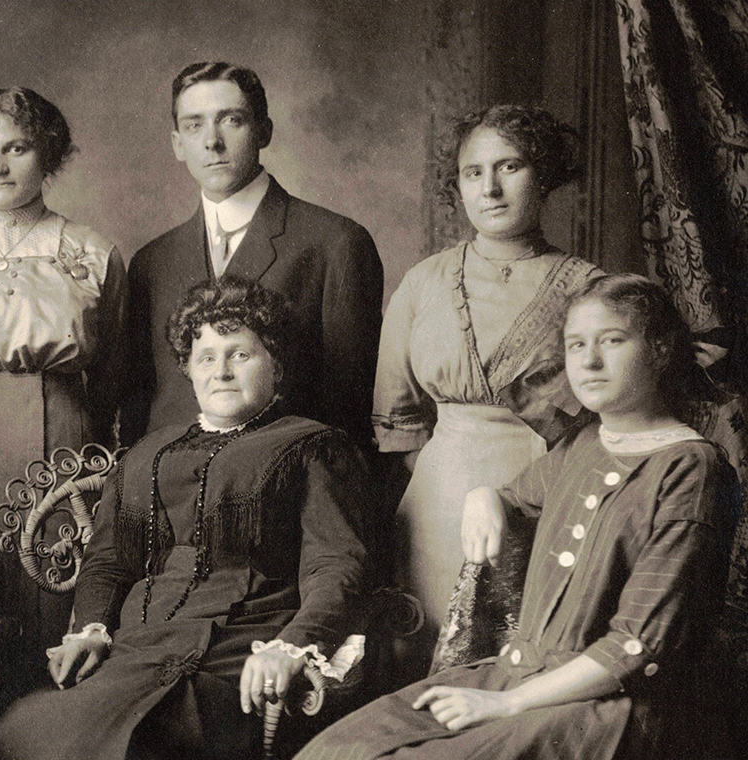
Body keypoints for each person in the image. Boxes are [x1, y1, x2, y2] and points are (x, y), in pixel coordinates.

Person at [295, 273, 738, 759]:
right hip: (518, 672)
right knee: (338, 747)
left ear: (659, 351)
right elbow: (516, 495)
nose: (588, 362)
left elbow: (638, 647)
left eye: (612, 341)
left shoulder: (691, 467)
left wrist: (505, 704)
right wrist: (483, 495)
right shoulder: (585, 442)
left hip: (605, 706)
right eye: (575, 345)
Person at [0, 276, 369, 760]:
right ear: (188, 369)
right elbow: (108, 562)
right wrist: (90, 631)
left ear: (276, 365)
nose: (222, 372)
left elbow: (335, 565)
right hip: (136, 650)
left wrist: (291, 646)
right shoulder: (146, 454)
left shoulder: (311, 446)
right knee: (25, 730)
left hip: (239, 652)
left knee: (146, 741)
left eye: (241, 354)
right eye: (206, 357)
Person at [373, 105, 603, 673]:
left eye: (510, 167)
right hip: (435, 504)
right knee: (424, 664)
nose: (491, 188)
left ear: (543, 175)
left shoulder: (590, 288)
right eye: (473, 173)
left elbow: (608, 419)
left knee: (523, 666)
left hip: (551, 495)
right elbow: (395, 419)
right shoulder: (424, 282)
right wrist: (444, 486)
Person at [0, 87, 126, 659]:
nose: (0, 165)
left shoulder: (93, 253)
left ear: (49, 155)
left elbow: (113, 377)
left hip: (62, 440)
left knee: (52, 593)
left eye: (17, 148)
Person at [123, 62, 383, 446]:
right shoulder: (150, 263)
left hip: (284, 487)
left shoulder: (336, 243)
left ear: (264, 131)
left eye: (231, 120)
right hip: (168, 490)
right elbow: (139, 408)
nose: (212, 141)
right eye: (194, 124)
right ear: (178, 143)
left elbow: (349, 413)